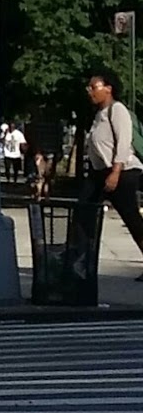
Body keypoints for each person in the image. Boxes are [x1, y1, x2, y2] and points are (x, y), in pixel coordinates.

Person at [77, 68, 143, 269]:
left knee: (131, 217)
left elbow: (124, 142)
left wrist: (115, 172)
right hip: (99, 173)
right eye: (88, 87)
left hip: (121, 172)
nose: (90, 91)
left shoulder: (118, 110)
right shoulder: (99, 115)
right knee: (83, 212)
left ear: (108, 89)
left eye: (94, 87)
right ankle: (80, 260)